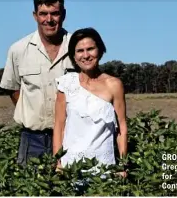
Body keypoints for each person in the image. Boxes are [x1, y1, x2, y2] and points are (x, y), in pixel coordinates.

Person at [0, 0, 74, 166]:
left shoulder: (78, 47)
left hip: (71, 135)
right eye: (43, 14)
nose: (49, 19)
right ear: (35, 16)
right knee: (30, 189)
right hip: (33, 139)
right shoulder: (18, 50)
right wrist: (32, 112)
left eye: (55, 13)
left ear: (63, 14)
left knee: (71, 189)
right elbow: (13, 89)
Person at [53, 28, 128, 179]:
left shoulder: (114, 85)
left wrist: (122, 165)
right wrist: (58, 162)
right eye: (80, 50)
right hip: (71, 168)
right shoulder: (66, 84)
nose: (86, 55)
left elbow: (122, 127)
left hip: (104, 167)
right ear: (73, 56)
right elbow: (59, 126)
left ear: (100, 51)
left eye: (90, 49)